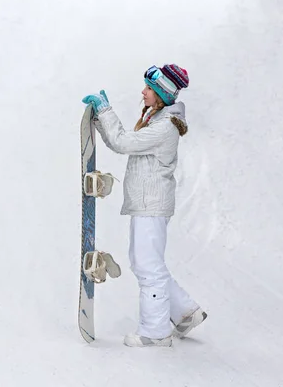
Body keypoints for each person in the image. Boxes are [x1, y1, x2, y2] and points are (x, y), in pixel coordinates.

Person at [81, 64, 207, 347]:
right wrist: (101, 121)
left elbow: (124, 142)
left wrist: (104, 112)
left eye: (149, 88)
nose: (143, 92)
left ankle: (155, 331)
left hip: (151, 205)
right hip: (147, 204)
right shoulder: (159, 120)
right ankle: (186, 312)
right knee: (144, 263)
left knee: (149, 266)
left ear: (162, 93)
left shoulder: (164, 127)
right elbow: (122, 141)